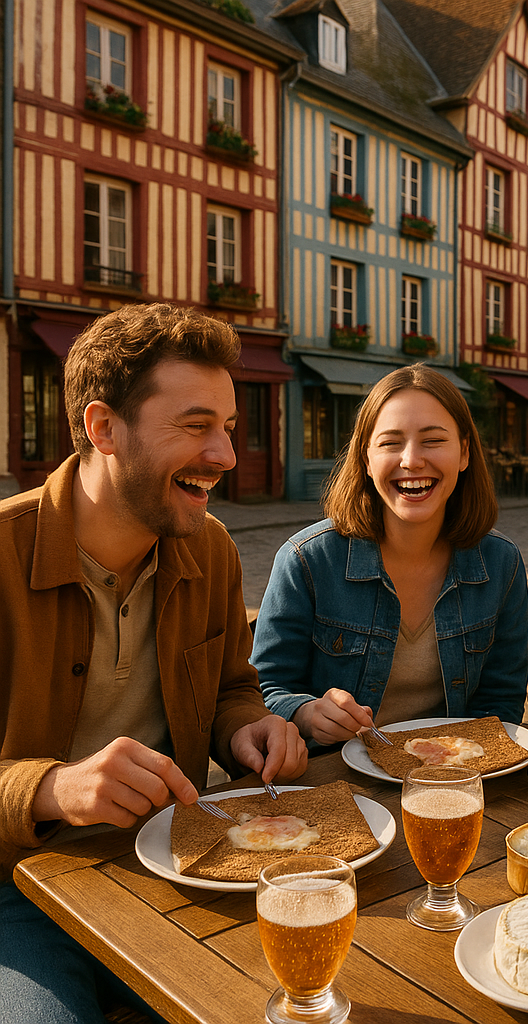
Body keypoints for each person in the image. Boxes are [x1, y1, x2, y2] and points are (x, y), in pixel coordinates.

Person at [0, 303, 307, 1024]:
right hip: (17, 887)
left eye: (229, 429)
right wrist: (51, 789)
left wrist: (246, 729)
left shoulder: (213, 549)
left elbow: (233, 685)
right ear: (103, 428)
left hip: (174, 863)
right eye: (196, 426)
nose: (226, 456)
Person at [254, 364, 528, 745]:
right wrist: (305, 713)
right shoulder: (307, 560)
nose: (412, 460)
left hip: (453, 777)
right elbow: (263, 690)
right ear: (366, 459)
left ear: (464, 453)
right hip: (335, 777)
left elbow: (501, 699)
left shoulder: (501, 563)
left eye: (433, 440)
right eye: (390, 442)